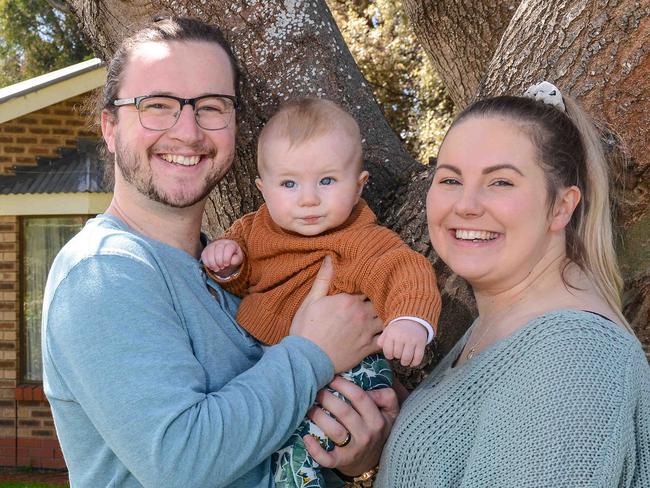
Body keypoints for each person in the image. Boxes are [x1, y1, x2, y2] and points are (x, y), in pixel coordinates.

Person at [41, 17, 398, 488]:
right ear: (110, 127)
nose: (188, 132)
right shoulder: (105, 271)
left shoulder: (235, 269)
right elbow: (181, 463)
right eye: (157, 105)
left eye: (211, 107)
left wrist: (355, 449)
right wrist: (313, 352)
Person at [375, 82, 650, 487]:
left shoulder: (571, 360)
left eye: (500, 182)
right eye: (450, 179)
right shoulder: (503, 326)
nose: (466, 205)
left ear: (561, 206)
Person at [200, 97, 441, 487]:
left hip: (348, 372)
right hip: (285, 369)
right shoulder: (252, 231)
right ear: (264, 190)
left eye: (327, 181)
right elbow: (242, 278)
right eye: (289, 183)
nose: (309, 198)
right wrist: (227, 263)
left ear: (358, 186)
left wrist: (410, 320)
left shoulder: (359, 239)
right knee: (275, 440)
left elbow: (403, 269)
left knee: (304, 450)